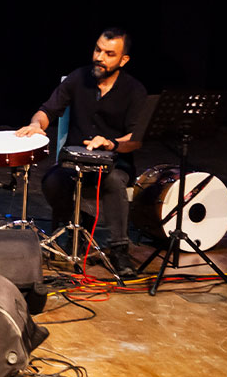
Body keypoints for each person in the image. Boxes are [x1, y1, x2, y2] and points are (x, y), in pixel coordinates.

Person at [16, 27, 147, 277]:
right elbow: (47, 110)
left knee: (112, 181)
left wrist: (110, 143)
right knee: (52, 181)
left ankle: (119, 249)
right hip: (74, 162)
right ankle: (74, 230)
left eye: (109, 54)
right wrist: (36, 125)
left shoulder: (134, 90)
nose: (100, 57)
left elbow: (135, 139)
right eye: (98, 50)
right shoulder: (78, 78)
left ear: (123, 60)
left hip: (115, 163)